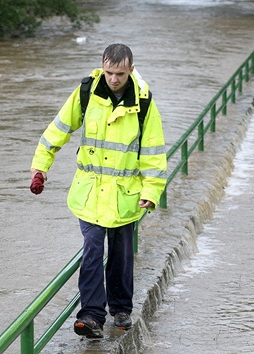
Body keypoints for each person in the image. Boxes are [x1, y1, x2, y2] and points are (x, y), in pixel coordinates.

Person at [29, 43, 168, 338]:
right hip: (90, 193)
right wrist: (41, 166)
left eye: (119, 73)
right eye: (108, 72)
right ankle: (91, 315)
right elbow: (58, 129)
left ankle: (121, 308)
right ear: (101, 67)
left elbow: (154, 153)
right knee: (92, 249)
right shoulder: (86, 93)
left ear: (131, 69)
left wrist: (151, 191)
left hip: (125, 194)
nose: (113, 79)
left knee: (121, 254)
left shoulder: (144, 104)